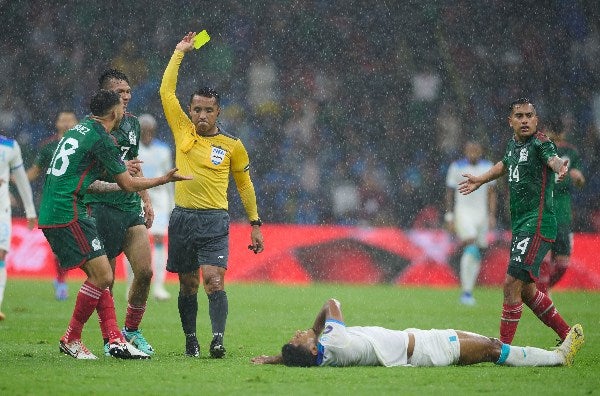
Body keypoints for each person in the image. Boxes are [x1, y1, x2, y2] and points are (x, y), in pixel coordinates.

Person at [38, 89, 190, 359]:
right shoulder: (102, 140)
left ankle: (115, 338)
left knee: (102, 276)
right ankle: (72, 337)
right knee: (103, 276)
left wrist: (130, 193)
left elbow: (91, 183)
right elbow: (128, 183)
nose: (125, 109)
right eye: (121, 104)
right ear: (113, 112)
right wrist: (162, 180)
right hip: (69, 212)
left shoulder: (80, 129)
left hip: (56, 209)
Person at [160, 32, 264, 358]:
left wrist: (255, 223)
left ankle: (217, 339)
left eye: (208, 110)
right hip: (182, 218)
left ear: (218, 112)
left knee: (214, 282)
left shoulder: (232, 145)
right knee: (188, 284)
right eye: (196, 110)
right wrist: (179, 52)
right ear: (189, 111)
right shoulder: (182, 130)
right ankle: (191, 339)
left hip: (214, 220)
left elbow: (245, 186)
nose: (201, 116)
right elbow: (166, 91)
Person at [458, 98, 573, 345]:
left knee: (511, 283)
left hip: (538, 223)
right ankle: (568, 336)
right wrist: (480, 179)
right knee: (529, 291)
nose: (524, 120)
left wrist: (558, 167)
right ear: (510, 121)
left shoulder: (541, 143)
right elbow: (504, 164)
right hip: (521, 226)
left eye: (529, 116)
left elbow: (552, 158)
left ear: (536, 120)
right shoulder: (512, 145)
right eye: (519, 116)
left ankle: (503, 348)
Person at [251, 298, 584, 367]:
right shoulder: (333, 339)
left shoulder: (321, 355)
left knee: (493, 346)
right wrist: (314, 328)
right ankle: (558, 357)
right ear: (313, 349)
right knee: (494, 349)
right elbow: (332, 301)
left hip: (418, 338)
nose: (301, 333)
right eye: (301, 338)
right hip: (426, 350)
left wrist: (274, 359)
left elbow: (297, 356)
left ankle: (557, 356)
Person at [83, 69, 157, 357]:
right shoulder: (93, 129)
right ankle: (110, 336)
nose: (126, 96)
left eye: (128, 90)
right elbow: (89, 171)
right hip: (103, 208)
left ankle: (131, 330)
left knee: (146, 271)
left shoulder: (133, 124)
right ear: (105, 96)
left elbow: (134, 167)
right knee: (107, 277)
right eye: (119, 92)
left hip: (129, 207)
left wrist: (146, 200)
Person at [27, 110, 78, 301]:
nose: (66, 124)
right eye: (62, 120)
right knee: (59, 248)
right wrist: (14, 177)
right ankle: (61, 281)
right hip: (54, 203)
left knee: (77, 247)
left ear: (76, 123)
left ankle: (91, 282)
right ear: (56, 124)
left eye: (70, 120)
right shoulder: (48, 147)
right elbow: (35, 172)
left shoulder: (83, 146)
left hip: (78, 201)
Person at [126, 113, 175, 301]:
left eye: (150, 130)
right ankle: (131, 284)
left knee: (160, 238)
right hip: (137, 197)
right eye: (143, 130)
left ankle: (159, 287)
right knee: (133, 239)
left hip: (160, 199)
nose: (147, 133)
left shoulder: (163, 150)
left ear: (154, 131)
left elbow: (169, 178)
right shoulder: (132, 150)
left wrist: (171, 204)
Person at [536, 120, 585, 294]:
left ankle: (541, 291)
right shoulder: (541, 149)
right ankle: (542, 294)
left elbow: (580, 181)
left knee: (561, 261)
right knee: (546, 256)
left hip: (562, 211)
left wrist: (578, 178)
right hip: (545, 208)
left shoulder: (570, 152)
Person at [445, 141, 497, 305]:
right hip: (463, 212)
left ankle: (468, 290)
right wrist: (449, 216)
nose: (473, 152)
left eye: (476, 149)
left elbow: (491, 193)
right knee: (471, 245)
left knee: (476, 251)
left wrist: (491, 215)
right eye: (470, 149)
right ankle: (466, 292)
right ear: (465, 150)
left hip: (481, 215)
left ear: (481, 150)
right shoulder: (456, 167)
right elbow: (449, 192)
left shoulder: (488, 166)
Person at [0, 134, 37, 321]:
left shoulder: (9, 146)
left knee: (1, 253)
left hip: (2, 209)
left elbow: (22, 179)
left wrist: (30, 209)